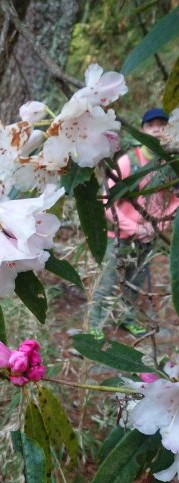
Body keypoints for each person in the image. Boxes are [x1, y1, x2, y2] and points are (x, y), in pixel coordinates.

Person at [88, 108, 179, 341]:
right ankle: (95, 324)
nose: (157, 129)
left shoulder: (169, 165)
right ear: (142, 130)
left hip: (148, 236)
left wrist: (157, 227)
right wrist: (133, 227)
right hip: (119, 235)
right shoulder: (129, 161)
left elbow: (174, 201)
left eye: (162, 124)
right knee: (109, 279)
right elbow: (107, 200)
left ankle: (126, 319)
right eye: (151, 125)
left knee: (135, 280)